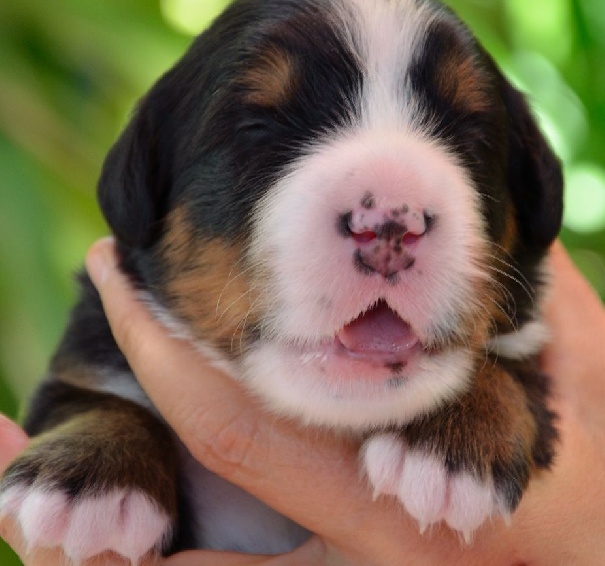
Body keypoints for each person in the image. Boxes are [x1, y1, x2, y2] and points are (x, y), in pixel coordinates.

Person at [1, 238, 604, 566]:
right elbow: (79, 396)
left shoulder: (502, 327)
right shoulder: (124, 329)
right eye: (259, 133)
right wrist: (110, 437)